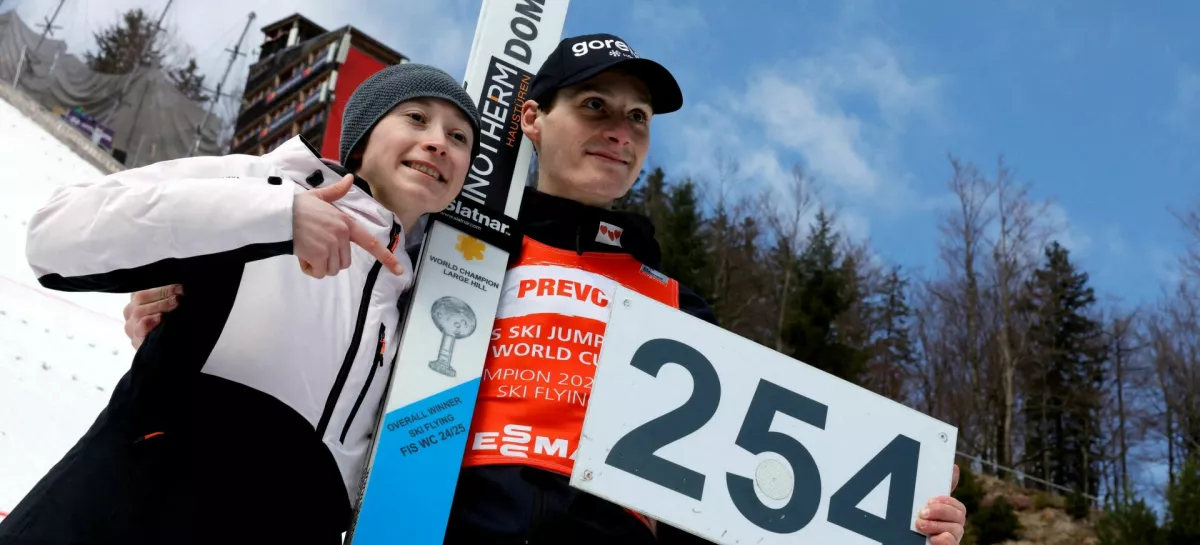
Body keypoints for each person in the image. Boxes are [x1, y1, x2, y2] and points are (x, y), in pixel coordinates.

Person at [119, 34, 969, 545]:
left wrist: (898, 524)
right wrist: (200, 307)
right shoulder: (443, 244)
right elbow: (332, 330)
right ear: (531, 118)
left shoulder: (678, 303)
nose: (620, 130)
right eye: (597, 105)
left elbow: (750, 497)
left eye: (638, 119)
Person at [1, 63, 480, 545]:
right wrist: (276, 217)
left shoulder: (418, 313)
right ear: (363, 137)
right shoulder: (268, 184)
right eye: (416, 118)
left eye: (459, 137)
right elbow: (55, 232)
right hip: (122, 515)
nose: (439, 141)